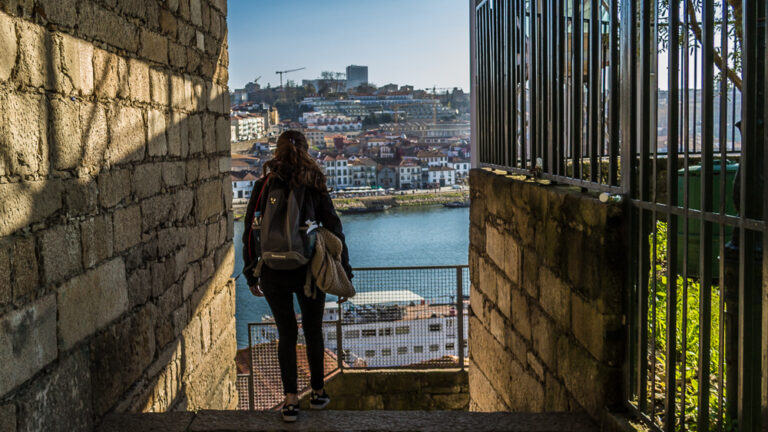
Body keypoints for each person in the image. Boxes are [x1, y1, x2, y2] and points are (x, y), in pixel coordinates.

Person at [242, 130, 353, 422]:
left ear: (277, 151)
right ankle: (317, 392)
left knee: (286, 334)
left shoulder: (263, 185)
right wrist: (345, 271)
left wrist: (251, 273)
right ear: (305, 150)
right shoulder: (314, 183)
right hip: (310, 271)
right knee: (313, 331)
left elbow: (251, 231)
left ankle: (290, 401)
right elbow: (335, 229)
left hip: (272, 271)